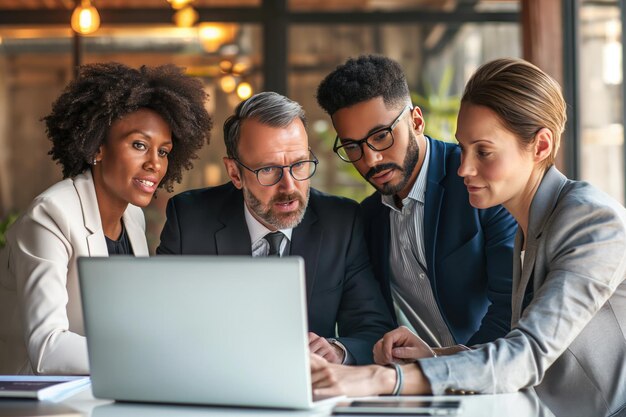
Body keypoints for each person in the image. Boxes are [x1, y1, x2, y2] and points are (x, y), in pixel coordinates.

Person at [311, 58, 626, 417]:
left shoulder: (593, 222)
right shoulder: (534, 222)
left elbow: (526, 355)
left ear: (540, 146)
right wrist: (431, 358)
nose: (463, 168)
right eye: (462, 148)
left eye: (484, 152)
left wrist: (381, 379)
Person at [0, 62, 212, 375]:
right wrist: (149, 356)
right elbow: (46, 349)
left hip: (105, 387)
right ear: (98, 147)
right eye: (139, 145)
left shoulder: (134, 219)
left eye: (164, 151)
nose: (155, 163)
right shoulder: (49, 217)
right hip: (37, 398)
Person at [157, 91, 394, 365]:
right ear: (235, 173)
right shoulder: (190, 218)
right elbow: (162, 323)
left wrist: (337, 351)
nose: (290, 187)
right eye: (268, 170)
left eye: (299, 165)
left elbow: (374, 330)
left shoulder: (341, 222)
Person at [316, 55, 517, 348]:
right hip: (421, 379)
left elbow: (512, 307)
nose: (371, 158)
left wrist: (453, 367)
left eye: (382, 136)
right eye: (352, 146)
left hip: (493, 372)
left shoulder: (477, 183)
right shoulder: (369, 218)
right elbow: (371, 324)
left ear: (416, 121)